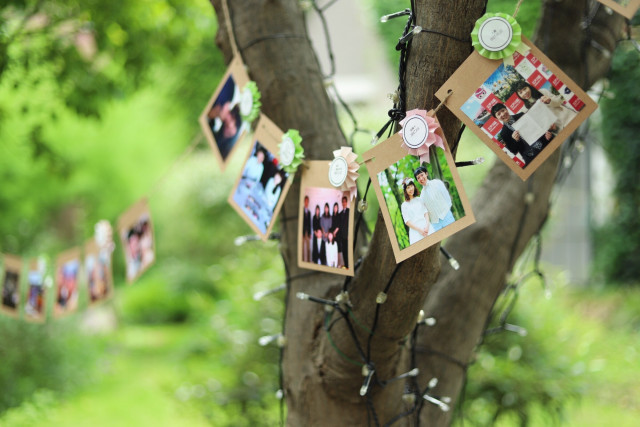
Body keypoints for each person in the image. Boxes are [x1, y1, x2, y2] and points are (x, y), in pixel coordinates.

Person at [490, 103, 555, 166]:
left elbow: (537, 126)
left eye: (503, 110)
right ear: (496, 118)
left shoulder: (521, 115)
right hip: (532, 156)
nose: (503, 114)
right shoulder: (504, 133)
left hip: (545, 141)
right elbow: (513, 150)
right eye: (498, 114)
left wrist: (547, 133)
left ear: (506, 109)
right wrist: (516, 140)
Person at [414, 166, 455, 232]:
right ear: (417, 181)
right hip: (435, 224)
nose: (421, 178)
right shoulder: (422, 196)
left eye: (422, 175)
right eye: (418, 178)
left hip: (447, 216)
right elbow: (425, 211)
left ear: (426, 174)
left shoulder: (437, 183)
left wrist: (447, 211)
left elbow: (446, 196)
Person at [400, 178, 433, 245]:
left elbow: (425, 213)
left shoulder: (419, 199)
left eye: (412, 186)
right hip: (415, 232)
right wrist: (419, 230)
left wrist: (427, 225)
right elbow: (407, 221)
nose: (411, 189)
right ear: (405, 190)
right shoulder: (404, 205)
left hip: (427, 227)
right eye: (408, 188)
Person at [338, 196, 350, 268]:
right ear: (342, 203)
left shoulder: (349, 211)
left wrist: (349, 234)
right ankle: (346, 265)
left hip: (347, 235)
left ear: (346, 202)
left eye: (345, 201)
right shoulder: (340, 213)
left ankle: (349, 264)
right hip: (342, 236)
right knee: (344, 251)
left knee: (348, 250)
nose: (344, 203)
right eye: (343, 202)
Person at [302, 196, 312, 263]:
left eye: (307, 201)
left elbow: (310, 223)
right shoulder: (301, 211)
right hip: (302, 232)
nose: (306, 202)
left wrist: (310, 233)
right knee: (302, 248)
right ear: (304, 201)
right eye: (305, 201)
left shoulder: (309, 212)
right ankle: (302, 260)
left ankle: (308, 261)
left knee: (308, 248)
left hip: (308, 232)